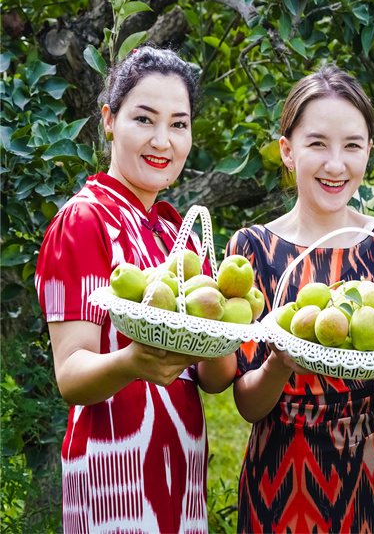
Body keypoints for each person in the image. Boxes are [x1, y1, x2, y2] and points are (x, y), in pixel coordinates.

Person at [35, 46, 236, 533]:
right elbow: (71, 372)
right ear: (109, 119)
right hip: (112, 475)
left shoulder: (177, 236)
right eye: (144, 119)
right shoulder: (85, 221)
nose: (162, 140)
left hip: (180, 472)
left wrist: (233, 328)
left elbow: (213, 377)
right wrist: (132, 362)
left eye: (179, 124)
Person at [228, 65, 374, 533]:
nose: (336, 164)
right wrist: (280, 364)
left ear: (369, 151)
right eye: (317, 144)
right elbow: (249, 405)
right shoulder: (251, 250)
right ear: (287, 152)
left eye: (352, 145)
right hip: (281, 474)